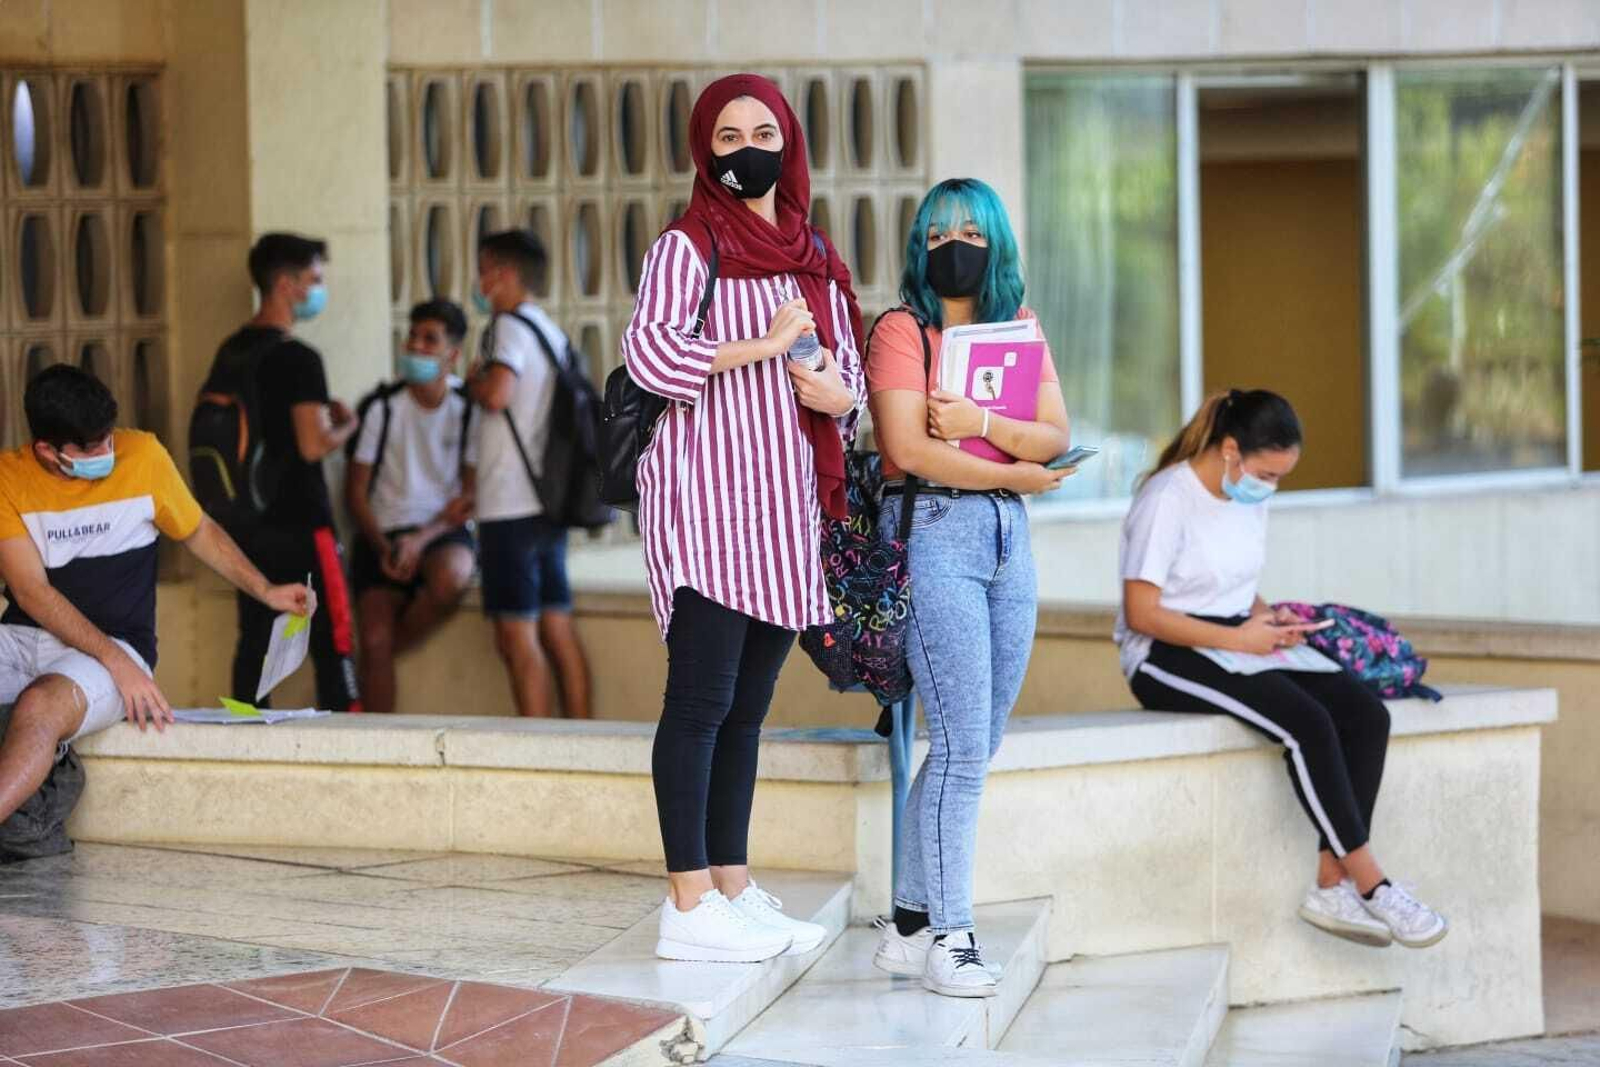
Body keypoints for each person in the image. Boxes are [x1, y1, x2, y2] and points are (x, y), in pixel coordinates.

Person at [621, 74, 864, 964]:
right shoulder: (688, 247)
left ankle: (730, 881)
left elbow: (850, 384)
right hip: (710, 509)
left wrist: (835, 392)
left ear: (789, 142)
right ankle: (686, 903)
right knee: (699, 704)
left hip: (783, 515)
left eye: (764, 131)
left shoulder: (814, 255)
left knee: (747, 712)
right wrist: (761, 347)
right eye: (728, 136)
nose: (748, 148)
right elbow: (649, 354)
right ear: (704, 151)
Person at [1115, 389, 1448, 949]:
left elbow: (1231, 584)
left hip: (1236, 632)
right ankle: (1372, 882)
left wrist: (1271, 619)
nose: (1269, 487)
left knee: (1365, 715)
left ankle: (1329, 880)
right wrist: (1240, 638)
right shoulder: (1167, 497)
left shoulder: (1247, 495)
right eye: (1266, 474)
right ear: (1229, 450)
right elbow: (1142, 612)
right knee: (1307, 724)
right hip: (1163, 652)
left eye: (1278, 478)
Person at [866, 178, 1073, 998]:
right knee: (956, 747)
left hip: (1007, 540)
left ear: (997, 244)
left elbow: (1057, 430)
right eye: (940, 229)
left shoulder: (1018, 332)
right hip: (935, 535)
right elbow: (907, 450)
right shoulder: (899, 330)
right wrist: (1020, 470)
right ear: (919, 243)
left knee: (973, 741)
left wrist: (984, 428)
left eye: (972, 231)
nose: (955, 243)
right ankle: (952, 934)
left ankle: (911, 923)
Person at [0, 366, 309, 821]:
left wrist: (266, 590)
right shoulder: (9, 477)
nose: (107, 453)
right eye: (90, 448)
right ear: (46, 449)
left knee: (41, 706)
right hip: (28, 639)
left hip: (117, 647)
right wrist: (115, 662)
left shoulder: (142, 454)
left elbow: (199, 530)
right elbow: (32, 592)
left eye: (108, 437)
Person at [211, 232, 361, 711]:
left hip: (245, 526)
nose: (319, 290)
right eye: (314, 280)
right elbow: (312, 446)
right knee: (332, 636)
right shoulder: (299, 359)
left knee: (254, 638)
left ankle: (246, 738)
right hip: (301, 523)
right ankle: (348, 743)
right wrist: (348, 425)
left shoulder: (230, 352)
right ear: (285, 284)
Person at [467, 229, 591, 719]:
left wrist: (474, 377)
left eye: (483, 269)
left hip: (509, 502)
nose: (479, 281)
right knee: (557, 626)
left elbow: (497, 393)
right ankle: (582, 735)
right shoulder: (550, 331)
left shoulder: (507, 328)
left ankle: (535, 743)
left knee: (516, 634)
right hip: (548, 501)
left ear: (502, 274)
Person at [346, 299, 478, 716]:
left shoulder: (468, 408)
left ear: (452, 355)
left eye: (430, 339)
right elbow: (356, 492)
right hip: (382, 532)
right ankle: (378, 744)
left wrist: (421, 541)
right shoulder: (382, 408)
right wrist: (384, 547)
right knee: (373, 637)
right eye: (413, 337)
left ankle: (376, 660)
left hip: (440, 531)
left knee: (452, 577)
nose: (416, 347)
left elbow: (469, 495)